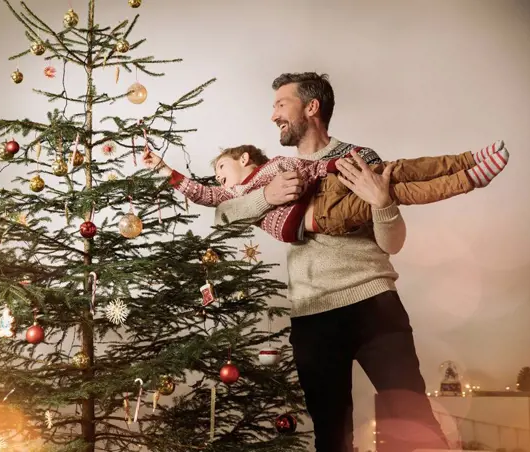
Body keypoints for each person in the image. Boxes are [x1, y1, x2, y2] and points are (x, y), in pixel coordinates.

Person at [211, 72, 458, 451]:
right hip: (312, 318)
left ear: (311, 108)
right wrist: (269, 198)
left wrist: (383, 203)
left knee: (415, 426)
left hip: (374, 307)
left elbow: (393, 242)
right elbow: (222, 216)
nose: (273, 115)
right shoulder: (273, 172)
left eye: (281, 104)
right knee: (332, 438)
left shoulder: (360, 159)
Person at [142, 141, 508, 242]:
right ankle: (470, 180)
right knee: (401, 192)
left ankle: (468, 158)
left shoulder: (280, 162)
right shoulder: (233, 196)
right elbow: (206, 200)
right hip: (326, 215)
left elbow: (311, 168)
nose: (218, 179)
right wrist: (163, 168)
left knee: (395, 170)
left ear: (243, 157)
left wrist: (337, 165)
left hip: (331, 183)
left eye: (221, 168)